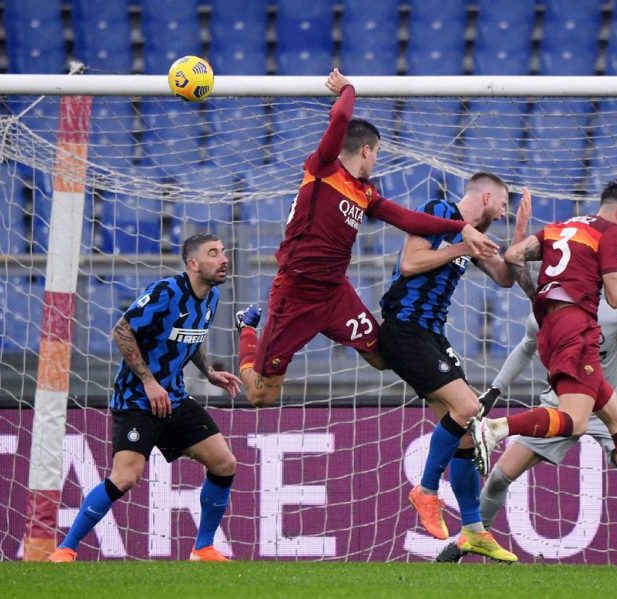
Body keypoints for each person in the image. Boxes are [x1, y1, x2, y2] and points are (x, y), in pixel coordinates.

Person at [235, 69, 497, 407]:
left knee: (383, 356)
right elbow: (342, 115)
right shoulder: (322, 168)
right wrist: (348, 88)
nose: (376, 160)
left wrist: (459, 227)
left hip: (335, 294)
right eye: (376, 154)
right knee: (261, 396)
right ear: (366, 150)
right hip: (296, 296)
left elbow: (407, 218)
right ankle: (246, 328)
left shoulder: (365, 192)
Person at [469, 180, 617, 536]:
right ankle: (496, 429)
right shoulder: (608, 234)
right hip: (576, 328)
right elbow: (615, 298)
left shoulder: (562, 227)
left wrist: (540, 296)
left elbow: (513, 255)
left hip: (552, 327)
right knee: (576, 421)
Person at [437, 301, 617, 565]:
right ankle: (468, 543)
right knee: (500, 477)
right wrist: (496, 389)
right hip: (558, 410)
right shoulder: (544, 314)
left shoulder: (615, 316)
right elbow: (525, 348)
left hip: (609, 411)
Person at [48, 234, 244, 563]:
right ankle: (66, 548)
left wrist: (208, 371)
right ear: (192, 264)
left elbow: (190, 338)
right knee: (125, 477)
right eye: (214, 253)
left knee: (224, 463)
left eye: (223, 251)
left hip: (174, 399)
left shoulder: (211, 298)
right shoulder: (166, 291)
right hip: (138, 399)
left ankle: (202, 548)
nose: (223, 258)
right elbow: (122, 331)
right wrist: (150, 382)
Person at [379, 179, 531, 562]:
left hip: (430, 334)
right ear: (486, 197)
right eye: (502, 206)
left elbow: (505, 278)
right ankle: (426, 490)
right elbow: (410, 262)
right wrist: (463, 245)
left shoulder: (474, 235)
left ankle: (474, 531)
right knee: (467, 408)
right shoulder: (440, 211)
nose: (502, 212)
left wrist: (518, 236)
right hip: (404, 328)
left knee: (468, 432)